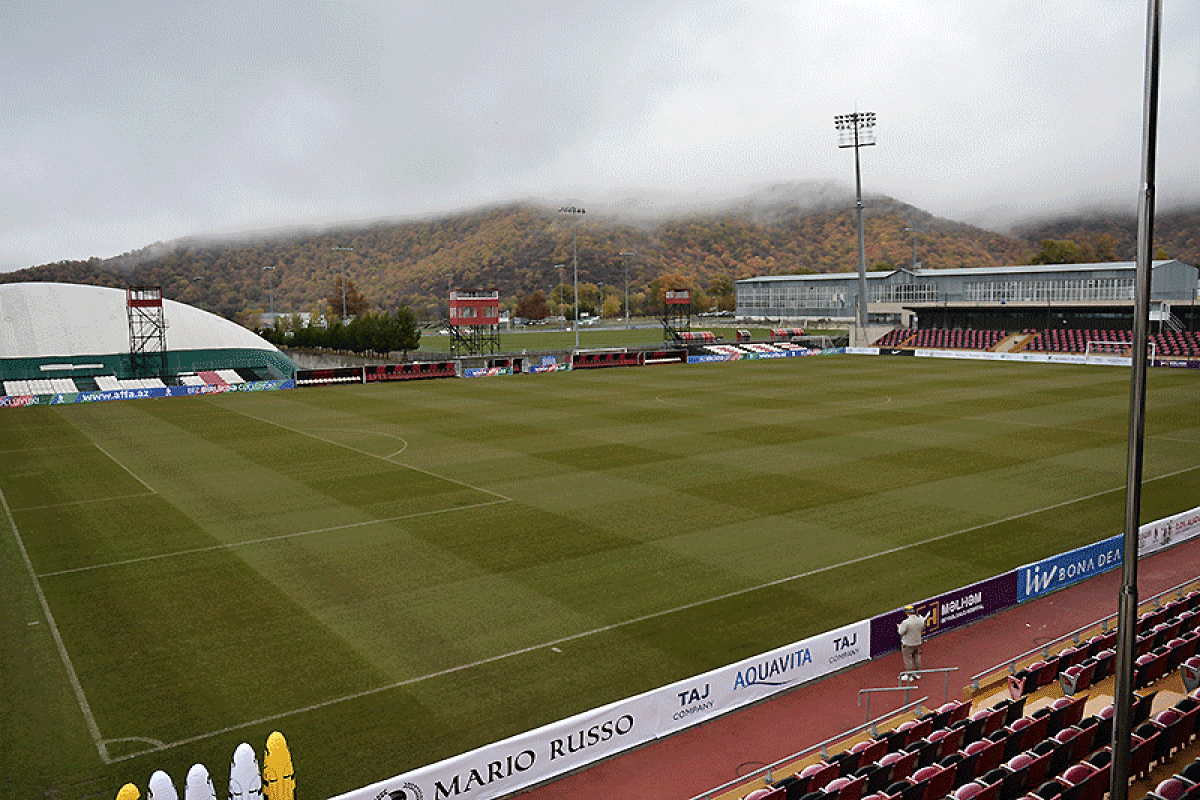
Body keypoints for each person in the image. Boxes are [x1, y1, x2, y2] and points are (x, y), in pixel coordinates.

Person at [897, 604, 928, 681]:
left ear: (907, 613)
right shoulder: (920, 620)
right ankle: (918, 674)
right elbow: (922, 628)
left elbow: (901, 632)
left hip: (908, 643)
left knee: (908, 659)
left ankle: (909, 675)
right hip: (917, 642)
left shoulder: (906, 622)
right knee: (917, 657)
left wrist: (899, 627)